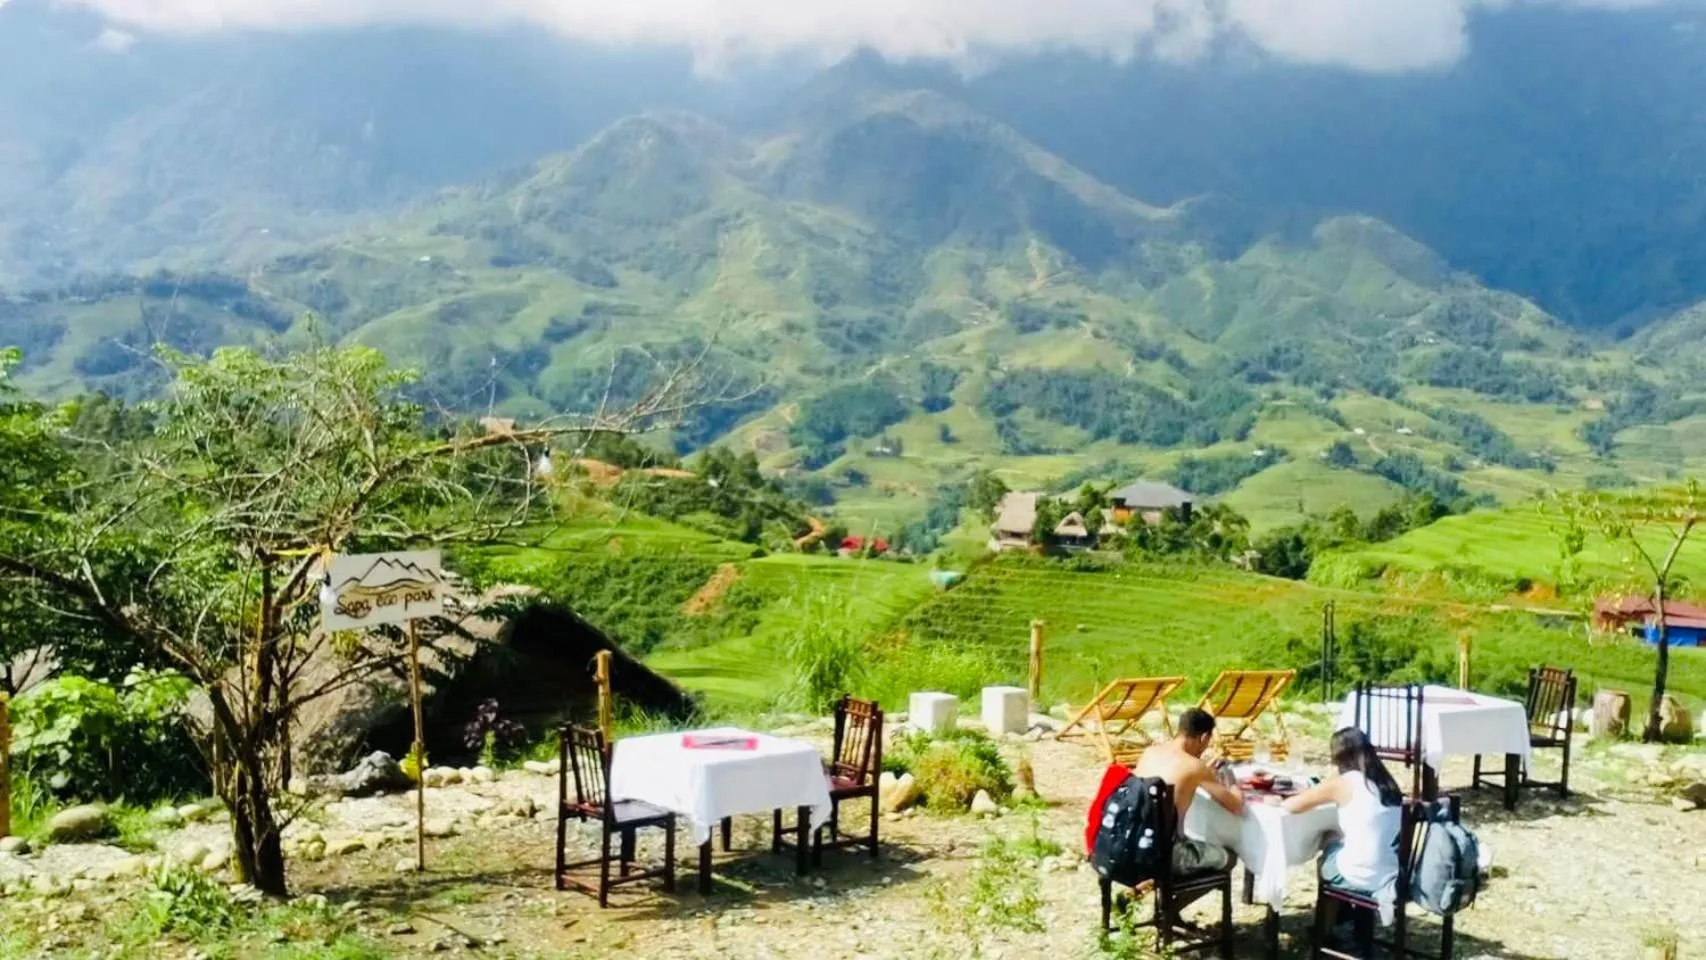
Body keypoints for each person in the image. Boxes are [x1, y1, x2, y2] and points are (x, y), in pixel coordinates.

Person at [1282, 727, 1404, 894]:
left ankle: (1331, 914)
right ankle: (1351, 912)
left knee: (1329, 839)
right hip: (1392, 872)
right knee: (1339, 837)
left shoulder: (1344, 782)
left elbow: (1292, 806)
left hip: (1362, 876)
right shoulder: (1386, 782)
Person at [1130, 707, 1244, 873]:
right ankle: (1175, 891)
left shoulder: (1149, 753)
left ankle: (1149, 882)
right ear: (1204, 737)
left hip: (1135, 841)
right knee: (1229, 857)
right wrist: (1232, 781)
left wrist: (1204, 774)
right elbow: (1236, 806)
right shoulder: (1195, 766)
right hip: (1168, 854)